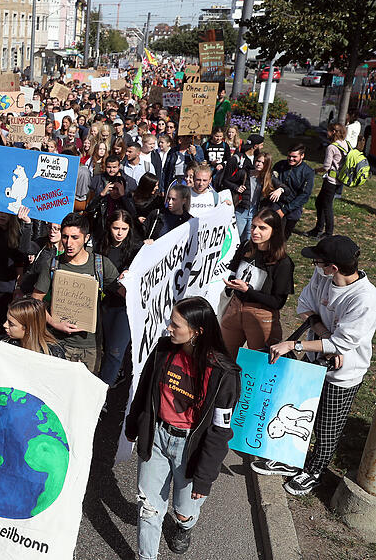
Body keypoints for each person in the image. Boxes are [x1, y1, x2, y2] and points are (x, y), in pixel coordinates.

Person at [256, 236, 376, 496]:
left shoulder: (365, 299)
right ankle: (292, 457)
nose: (314, 264)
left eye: (319, 261)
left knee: (327, 425)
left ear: (333, 267)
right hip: (315, 362)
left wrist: (295, 346)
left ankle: (315, 470)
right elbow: (304, 306)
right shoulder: (322, 277)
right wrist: (323, 335)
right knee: (302, 409)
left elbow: (343, 343)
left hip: (343, 374)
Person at [125, 297, 242, 559]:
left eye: (176, 325)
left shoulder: (224, 373)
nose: (168, 328)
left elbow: (220, 430)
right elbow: (144, 390)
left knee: (183, 510)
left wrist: (204, 477)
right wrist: (134, 425)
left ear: (197, 332)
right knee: (150, 508)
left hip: (190, 449)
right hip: (157, 438)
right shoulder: (164, 349)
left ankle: (184, 525)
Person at [31, 212, 118, 372]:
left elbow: (125, 293)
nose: (68, 243)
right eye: (65, 237)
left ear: (86, 238)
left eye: (75, 237)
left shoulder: (101, 264)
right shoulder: (52, 264)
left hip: (89, 347)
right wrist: (54, 323)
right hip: (56, 343)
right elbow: (36, 300)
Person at [220, 208, 294, 352]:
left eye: (262, 228)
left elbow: (277, 302)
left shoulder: (283, 263)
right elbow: (233, 271)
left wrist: (248, 290)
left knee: (258, 363)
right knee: (224, 355)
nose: (255, 231)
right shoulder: (246, 246)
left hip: (261, 316)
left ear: (274, 231)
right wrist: (231, 285)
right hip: (235, 309)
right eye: (253, 226)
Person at [98, 210, 142, 386]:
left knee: (114, 352)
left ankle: (104, 393)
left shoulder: (136, 250)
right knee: (103, 348)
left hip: (124, 307)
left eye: (124, 228)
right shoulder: (101, 246)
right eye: (116, 228)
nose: (119, 233)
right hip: (103, 303)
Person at [305, 123, 347, 239]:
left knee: (326, 206)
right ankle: (318, 229)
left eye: (328, 131)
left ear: (333, 132)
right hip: (339, 180)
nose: (326, 133)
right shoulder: (345, 144)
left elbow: (326, 167)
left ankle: (328, 233)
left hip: (331, 181)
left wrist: (314, 170)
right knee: (319, 202)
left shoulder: (332, 147)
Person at [270, 143, 315, 239]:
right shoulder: (280, 165)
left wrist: (284, 210)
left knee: (283, 237)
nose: (291, 159)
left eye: (294, 157)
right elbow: (271, 179)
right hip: (275, 203)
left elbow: (304, 195)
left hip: (292, 208)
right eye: (289, 156)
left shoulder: (308, 172)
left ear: (302, 156)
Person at [0, 298, 65, 358]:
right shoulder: (6, 342)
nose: (4, 325)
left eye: (11, 324)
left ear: (28, 328)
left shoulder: (53, 354)